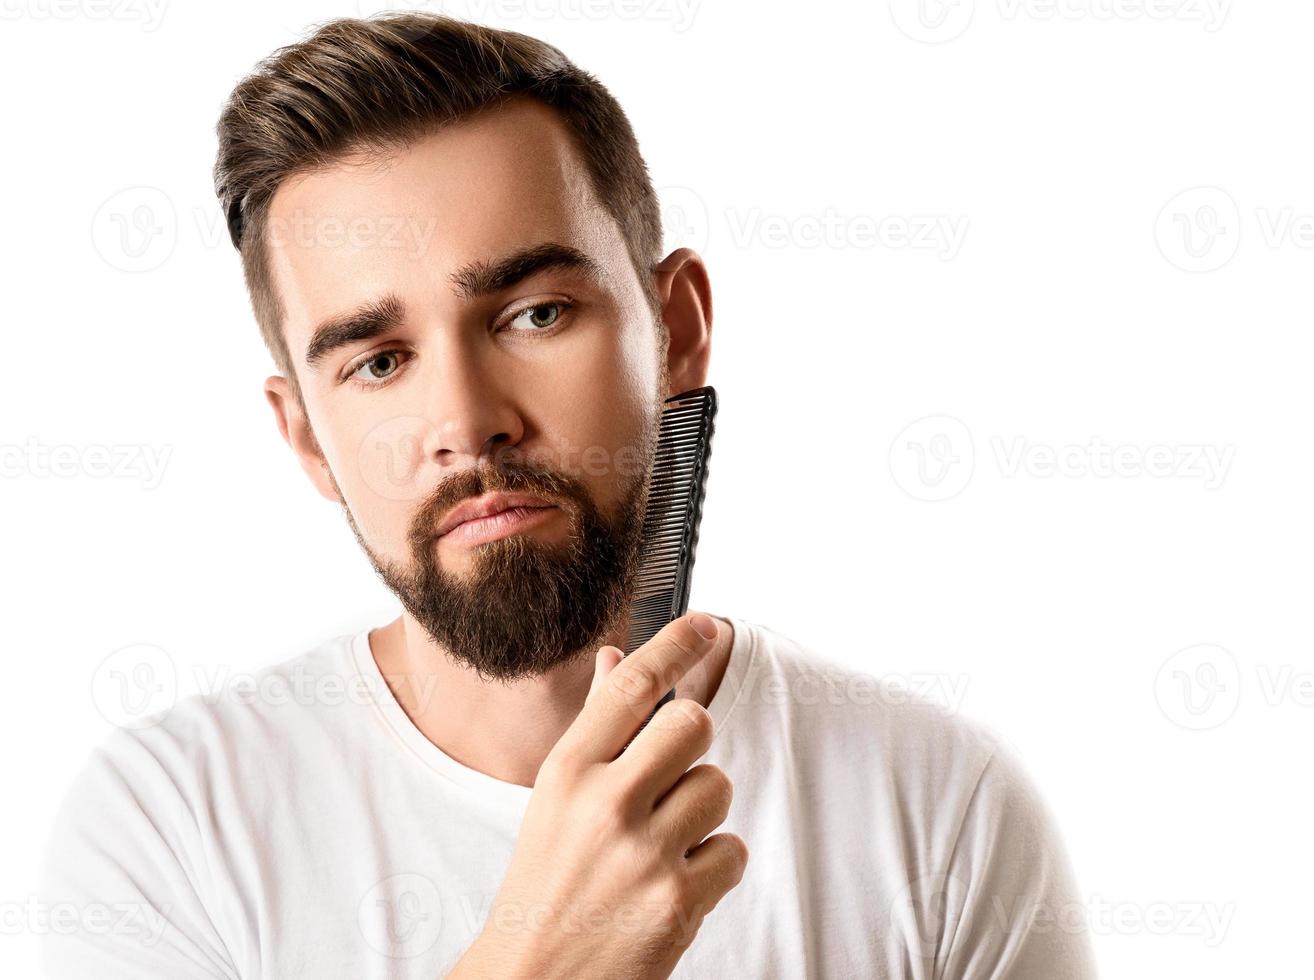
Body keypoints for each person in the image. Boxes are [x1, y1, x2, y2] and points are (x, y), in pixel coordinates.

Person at [37, 13, 1096, 978]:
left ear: (674, 330)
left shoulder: (940, 814)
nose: (466, 420)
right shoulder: (165, 830)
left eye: (534, 314)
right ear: (307, 436)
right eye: (378, 360)